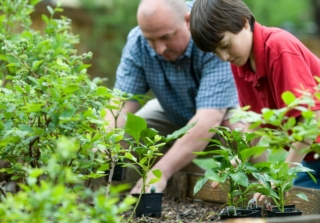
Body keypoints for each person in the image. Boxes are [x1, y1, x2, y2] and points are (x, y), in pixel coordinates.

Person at [105, 0, 242, 194]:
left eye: (166, 37)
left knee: (240, 134)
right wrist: (103, 143)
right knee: (131, 133)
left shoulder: (210, 33)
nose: (159, 49)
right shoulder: (137, 41)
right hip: (172, 110)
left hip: (224, 111)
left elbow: (208, 118)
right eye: (151, 40)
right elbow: (121, 104)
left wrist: (161, 171)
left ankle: (256, 192)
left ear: (187, 21)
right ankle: (187, 185)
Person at [189, 0, 320, 190]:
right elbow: (255, 122)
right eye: (215, 52)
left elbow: (311, 120)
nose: (224, 57)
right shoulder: (240, 63)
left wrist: (279, 176)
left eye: (225, 45)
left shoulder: (278, 48)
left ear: (244, 22)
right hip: (311, 156)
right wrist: (235, 162)